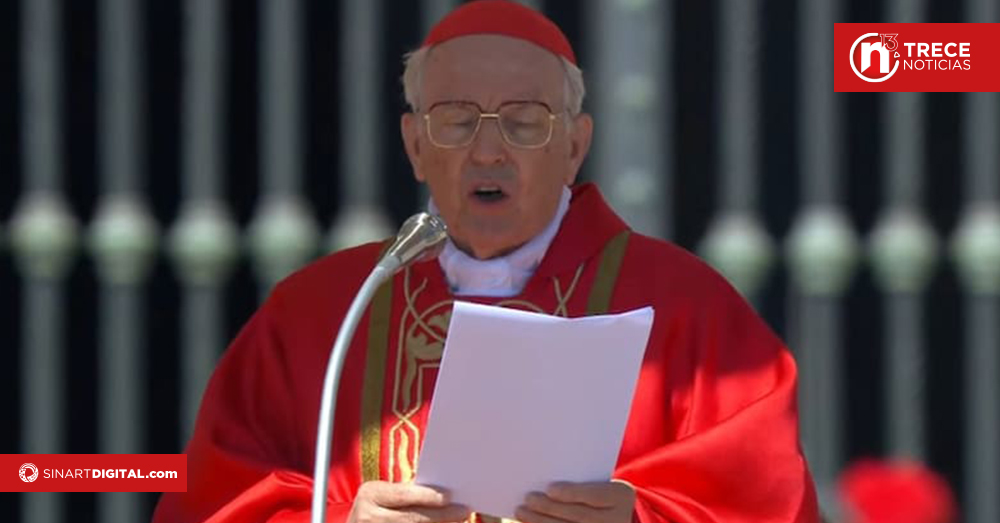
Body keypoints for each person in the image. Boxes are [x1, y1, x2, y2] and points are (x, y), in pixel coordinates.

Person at [153, 1, 821, 522]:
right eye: (456, 120)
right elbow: (209, 498)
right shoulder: (321, 313)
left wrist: (639, 517)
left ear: (576, 146)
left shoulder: (685, 307)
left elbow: (770, 499)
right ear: (415, 145)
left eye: (525, 121)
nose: (488, 150)